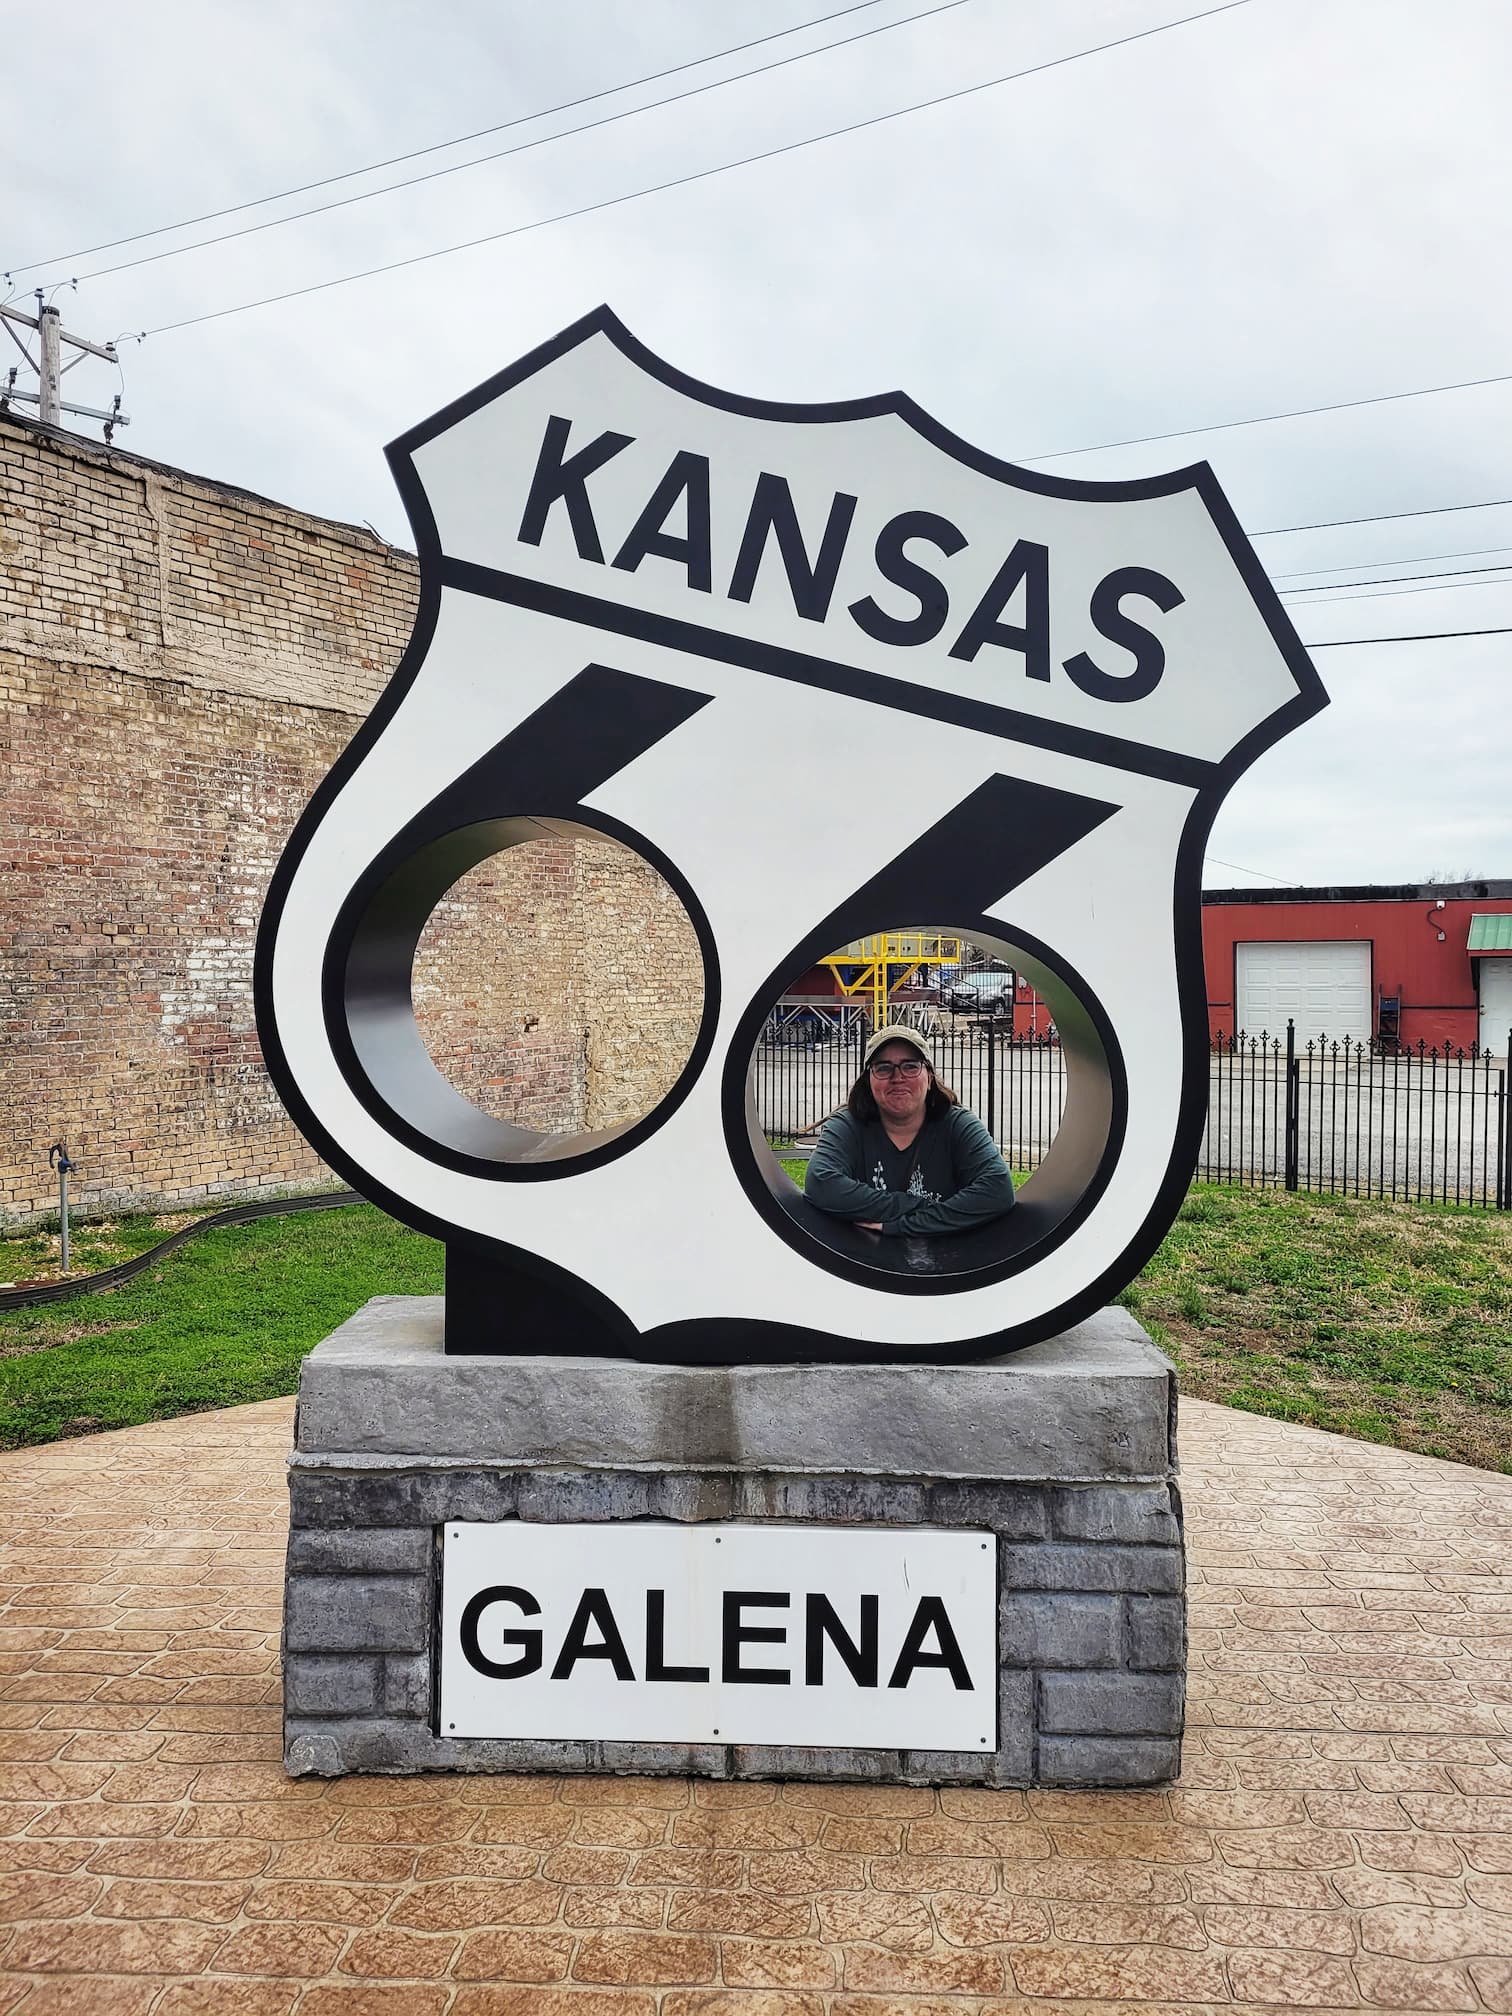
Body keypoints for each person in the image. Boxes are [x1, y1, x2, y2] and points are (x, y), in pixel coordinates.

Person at [805, 1024, 1015, 1239]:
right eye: (883, 1068)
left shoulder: (958, 1124)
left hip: (946, 1257)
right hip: (858, 1257)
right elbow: (821, 1183)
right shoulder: (847, 1125)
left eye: (911, 1066)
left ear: (930, 1077)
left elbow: (997, 1189)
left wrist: (905, 1225)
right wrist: (921, 1206)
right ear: (869, 1080)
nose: (897, 1077)